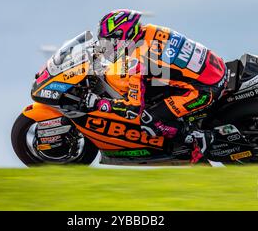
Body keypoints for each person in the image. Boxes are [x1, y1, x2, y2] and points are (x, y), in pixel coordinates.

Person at [85, 9, 228, 162]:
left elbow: (133, 108)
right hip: (215, 67)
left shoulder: (138, 61)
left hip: (205, 90)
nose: (108, 45)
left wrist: (100, 103)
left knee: (148, 120)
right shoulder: (150, 30)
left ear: (125, 35)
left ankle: (198, 140)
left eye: (110, 41)